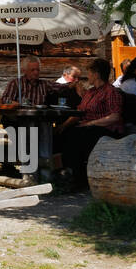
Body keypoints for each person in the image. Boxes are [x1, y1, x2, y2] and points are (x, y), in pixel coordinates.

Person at [58, 58, 123, 189]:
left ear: (97, 74)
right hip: (86, 127)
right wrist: (63, 126)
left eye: (89, 73)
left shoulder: (111, 92)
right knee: (65, 134)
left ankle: (79, 178)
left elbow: (115, 117)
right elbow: (80, 112)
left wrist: (91, 123)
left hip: (105, 129)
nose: (87, 76)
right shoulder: (90, 92)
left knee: (78, 136)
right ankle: (68, 174)